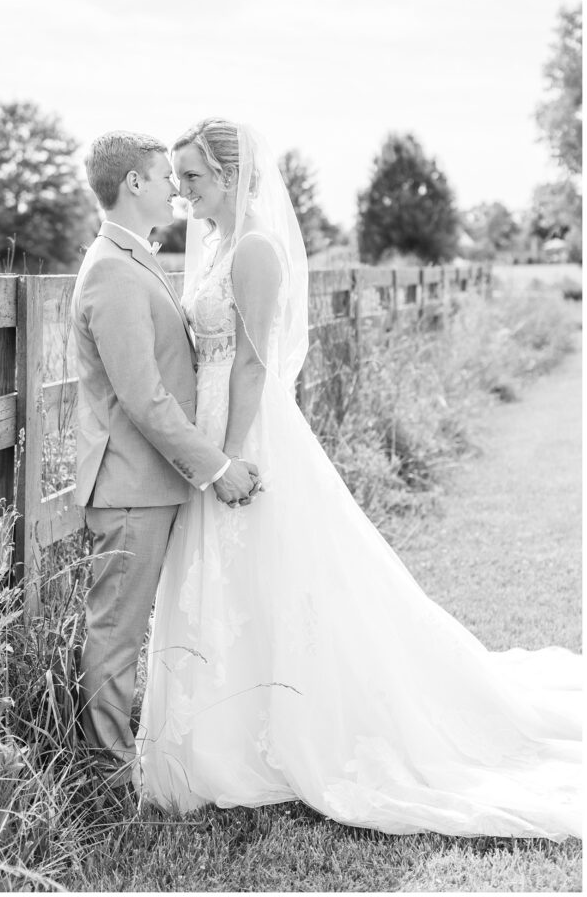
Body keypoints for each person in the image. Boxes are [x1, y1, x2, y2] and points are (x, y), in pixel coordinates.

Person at [135, 118, 581, 839]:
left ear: (229, 175)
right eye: (178, 178)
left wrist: (223, 458)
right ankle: (226, 730)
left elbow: (251, 363)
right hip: (209, 425)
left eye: (191, 177)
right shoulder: (213, 244)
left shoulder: (251, 248)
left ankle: (282, 732)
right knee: (225, 576)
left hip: (243, 430)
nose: (181, 190)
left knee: (267, 572)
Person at [71, 130, 261, 792]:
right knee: (116, 631)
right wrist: (214, 464)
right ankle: (107, 777)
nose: (174, 189)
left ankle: (135, 755)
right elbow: (143, 397)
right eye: (162, 177)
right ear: (132, 185)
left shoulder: (135, 258)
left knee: (129, 627)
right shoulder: (111, 270)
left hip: (151, 480)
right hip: (129, 482)